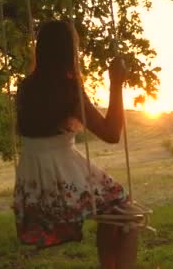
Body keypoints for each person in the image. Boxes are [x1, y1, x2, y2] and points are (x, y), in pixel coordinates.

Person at [13, 20, 138, 268]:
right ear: (71, 52)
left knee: (112, 216)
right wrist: (116, 83)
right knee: (128, 215)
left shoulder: (25, 88)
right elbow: (112, 134)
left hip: (35, 185)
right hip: (62, 176)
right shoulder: (68, 91)